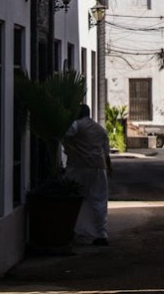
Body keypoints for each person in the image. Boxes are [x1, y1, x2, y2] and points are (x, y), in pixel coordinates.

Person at [62, 104, 111, 246]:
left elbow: (63, 134)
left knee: (74, 198)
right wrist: (108, 168)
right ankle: (101, 234)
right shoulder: (100, 129)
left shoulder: (76, 125)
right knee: (99, 200)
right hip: (98, 168)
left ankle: (72, 230)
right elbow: (106, 152)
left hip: (78, 167)